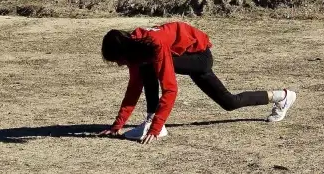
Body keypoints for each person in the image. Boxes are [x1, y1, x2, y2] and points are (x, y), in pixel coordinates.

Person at [98, 21, 297, 144]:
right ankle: (281, 97)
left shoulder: (151, 46)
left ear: (123, 52)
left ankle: (283, 96)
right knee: (229, 102)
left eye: (118, 61)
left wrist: (157, 127)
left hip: (199, 57)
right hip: (183, 55)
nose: (118, 65)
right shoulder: (137, 50)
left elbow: (170, 89)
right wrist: (118, 125)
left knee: (229, 102)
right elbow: (134, 88)